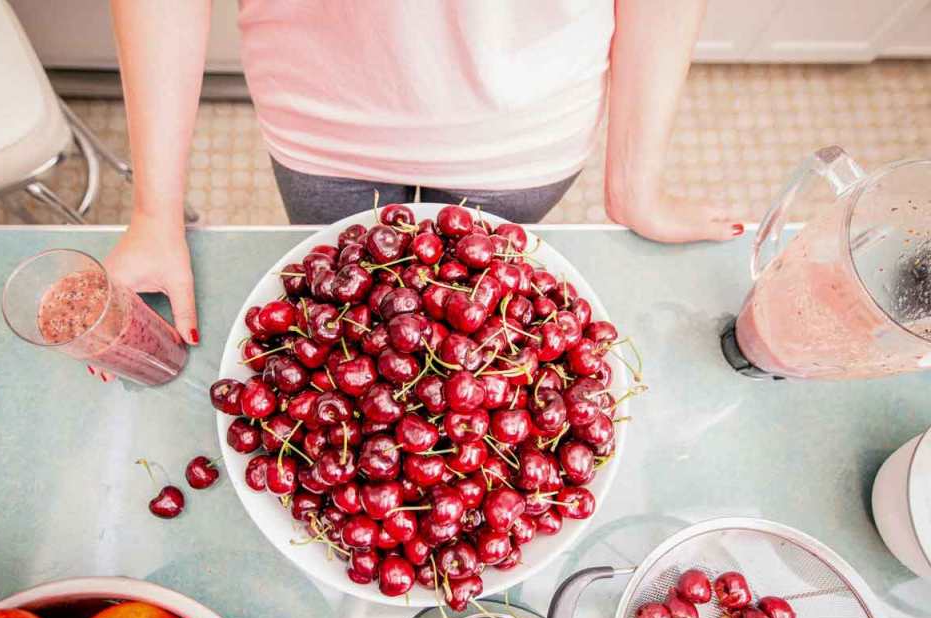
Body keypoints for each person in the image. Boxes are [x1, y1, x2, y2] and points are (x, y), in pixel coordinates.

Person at [103, 0, 742, 359]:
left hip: (522, 131)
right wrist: (154, 214)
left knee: (474, 324)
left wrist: (636, 183)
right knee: (347, 319)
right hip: (322, 122)